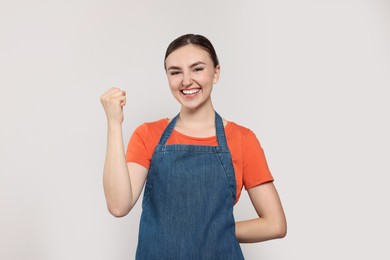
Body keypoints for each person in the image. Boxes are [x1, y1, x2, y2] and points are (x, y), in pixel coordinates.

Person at [100, 34, 287, 259]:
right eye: (175, 72)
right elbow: (118, 206)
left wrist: (212, 232)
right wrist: (113, 124)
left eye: (197, 69)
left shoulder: (242, 139)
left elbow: (275, 224)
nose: (186, 81)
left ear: (216, 72)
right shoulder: (148, 135)